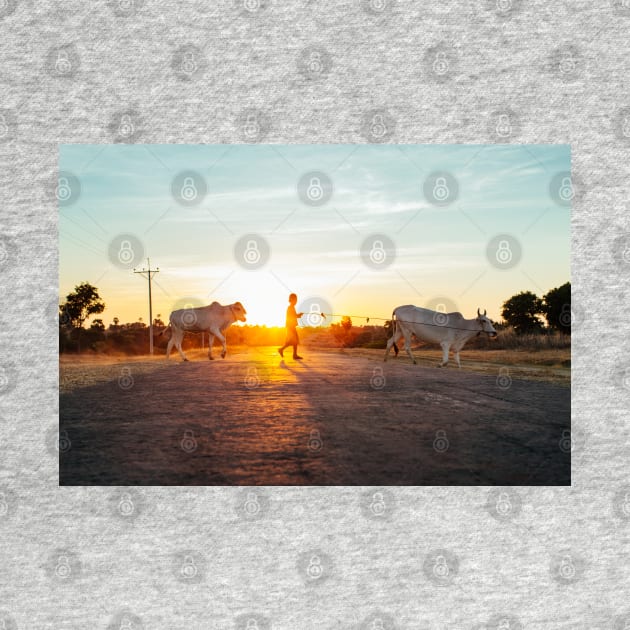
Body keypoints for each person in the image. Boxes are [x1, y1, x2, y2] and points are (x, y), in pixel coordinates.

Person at [278, 293, 304, 360]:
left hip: (291, 326)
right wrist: (298, 315)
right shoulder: (290, 307)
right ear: (291, 300)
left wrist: (299, 315)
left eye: (296, 300)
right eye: (295, 300)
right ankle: (284, 350)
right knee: (293, 341)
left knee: (293, 341)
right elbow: (292, 316)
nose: (296, 301)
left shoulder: (292, 307)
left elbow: (294, 316)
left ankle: (284, 350)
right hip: (290, 326)